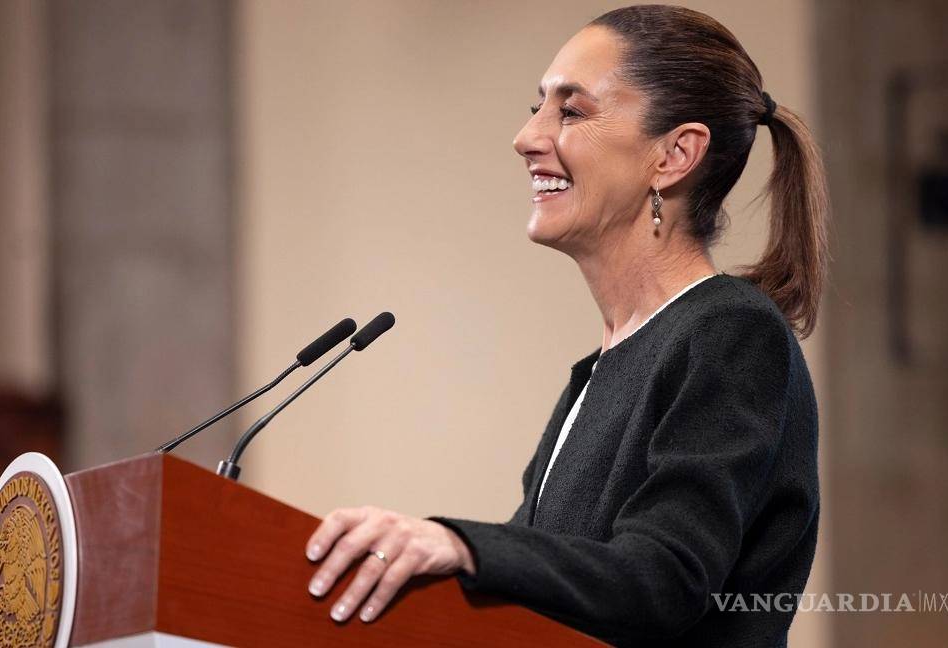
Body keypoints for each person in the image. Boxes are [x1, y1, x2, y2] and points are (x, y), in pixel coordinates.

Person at [304, 5, 828, 646]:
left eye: (571, 111)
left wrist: (459, 545)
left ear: (674, 154)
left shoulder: (730, 335)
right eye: (538, 107)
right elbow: (543, 594)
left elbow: (665, 577)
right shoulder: (606, 366)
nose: (527, 137)